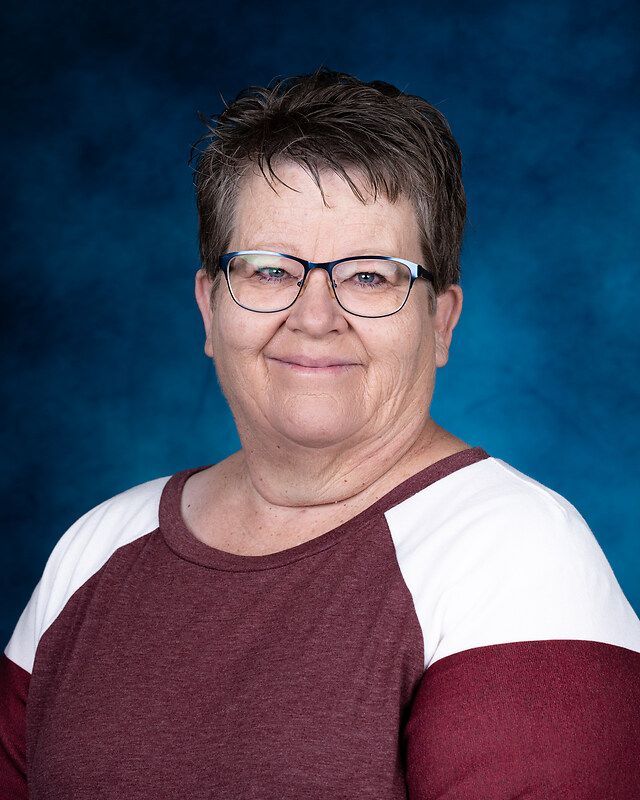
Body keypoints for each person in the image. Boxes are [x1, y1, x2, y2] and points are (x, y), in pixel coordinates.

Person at [1, 67, 639, 799]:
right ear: (210, 308)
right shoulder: (95, 549)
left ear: (440, 321)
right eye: (270, 271)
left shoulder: (515, 556)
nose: (314, 316)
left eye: (369, 276)